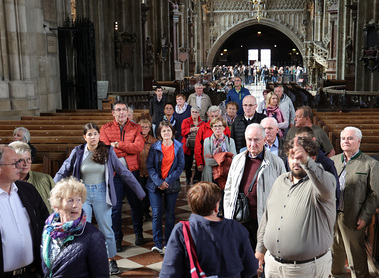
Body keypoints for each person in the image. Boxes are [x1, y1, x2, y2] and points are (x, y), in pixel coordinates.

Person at [54, 122, 145, 274]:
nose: (93, 137)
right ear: (84, 137)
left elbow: (124, 172)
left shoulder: (108, 151)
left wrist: (139, 191)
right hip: (82, 196)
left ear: (99, 136)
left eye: (95, 134)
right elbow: (63, 170)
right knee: (82, 228)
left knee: (106, 229)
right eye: (89, 134)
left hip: (102, 193)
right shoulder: (78, 152)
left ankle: (111, 260)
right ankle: (83, 259)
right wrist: (52, 190)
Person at [255, 137, 336, 277]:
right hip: (273, 265)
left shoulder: (323, 184)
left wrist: (307, 163)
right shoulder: (280, 180)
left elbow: (326, 185)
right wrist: (260, 248)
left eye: (301, 157)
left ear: (313, 159)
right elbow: (267, 216)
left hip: (306, 269)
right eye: (292, 156)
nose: (296, 161)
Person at [160, 181, 257, 277]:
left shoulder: (182, 231)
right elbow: (251, 268)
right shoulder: (236, 228)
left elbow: (169, 273)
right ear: (216, 207)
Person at [224, 124, 286, 253]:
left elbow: (284, 193)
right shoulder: (237, 160)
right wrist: (228, 214)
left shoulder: (276, 162)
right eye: (249, 139)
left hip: (264, 220)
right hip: (240, 218)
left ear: (264, 140)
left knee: (261, 258)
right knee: (241, 256)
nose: (253, 144)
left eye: (256, 139)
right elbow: (229, 189)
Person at [331, 127, 379, 278]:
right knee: (334, 252)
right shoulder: (332, 161)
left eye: (350, 138)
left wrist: (365, 217)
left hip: (353, 216)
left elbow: (375, 194)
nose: (346, 141)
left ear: (359, 141)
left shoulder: (370, 164)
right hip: (332, 215)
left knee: (355, 256)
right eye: (344, 138)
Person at [100, 100, 145, 251]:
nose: (121, 113)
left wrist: (117, 144)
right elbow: (106, 150)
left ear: (127, 112)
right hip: (114, 175)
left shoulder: (136, 127)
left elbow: (138, 147)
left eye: (124, 110)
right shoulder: (105, 129)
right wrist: (126, 148)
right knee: (115, 208)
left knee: (136, 205)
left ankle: (139, 233)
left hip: (132, 173)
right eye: (118, 110)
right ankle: (117, 239)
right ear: (113, 113)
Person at [41, 177, 109, 277]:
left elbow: (101, 275)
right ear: (57, 206)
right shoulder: (48, 229)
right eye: (70, 200)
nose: (75, 205)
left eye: (79, 200)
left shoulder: (93, 235)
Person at [0, 145, 49, 277]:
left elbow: (45, 222)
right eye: (14, 163)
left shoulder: (28, 190)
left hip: (31, 273)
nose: (20, 166)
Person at [146, 121, 185, 254]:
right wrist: (159, 182)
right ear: (160, 134)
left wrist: (166, 181)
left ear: (172, 132)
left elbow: (180, 167)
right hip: (155, 184)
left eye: (168, 130)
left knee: (170, 214)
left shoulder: (179, 147)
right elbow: (150, 166)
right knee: (156, 213)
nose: (166, 133)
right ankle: (157, 243)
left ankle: (168, 242)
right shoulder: (154, 147)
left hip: (171, 183)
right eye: (163, 131)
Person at [8, 141, 55, 213]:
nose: (26, 164)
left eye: (28, 159)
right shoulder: (5, 184)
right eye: (21, 160)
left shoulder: (45, 179)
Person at [194, 106, 231, 182]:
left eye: (216, 116)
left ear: (220, 116)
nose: (214, 118)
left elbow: (229, 146)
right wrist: (199, 163)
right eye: (212, 116)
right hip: (207, 164)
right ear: (208, 115)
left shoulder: (225, 128)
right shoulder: (202, 128)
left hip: (223, 166)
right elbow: (198, 147)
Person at [202, 116, 236, 183]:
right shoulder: (207, 141)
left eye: (220, 126)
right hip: (211, 175)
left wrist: (214, 157)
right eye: (215, 126)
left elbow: (233, 159)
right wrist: (225, 159)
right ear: (211, 128)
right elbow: (208, 161)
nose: (217, 128)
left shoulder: (230, 141)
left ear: (224, 127)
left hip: (226, 175)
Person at [138, 119, 157, 221]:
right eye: (142, 126)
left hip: (150, 173)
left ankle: (146, 211)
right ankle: (141, 213)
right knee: (140, 194)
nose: (144, 129)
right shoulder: (135, 140)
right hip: (139, 171)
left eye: (146, 127)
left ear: (149, 129)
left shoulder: (154, 141)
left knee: (149, 194)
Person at [181, 106, 205, 185]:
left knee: (199, 162)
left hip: (198, 146)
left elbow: (204, 134)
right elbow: (182, 132)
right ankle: (188, 177)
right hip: (188, 146)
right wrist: (190, 130)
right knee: (188, 163)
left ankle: (196, 178)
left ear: (199, 113)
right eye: (193, 112)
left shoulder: (202, 123)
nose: (194, 114)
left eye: (196, 112)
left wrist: (199, 130)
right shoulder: (186, 121)